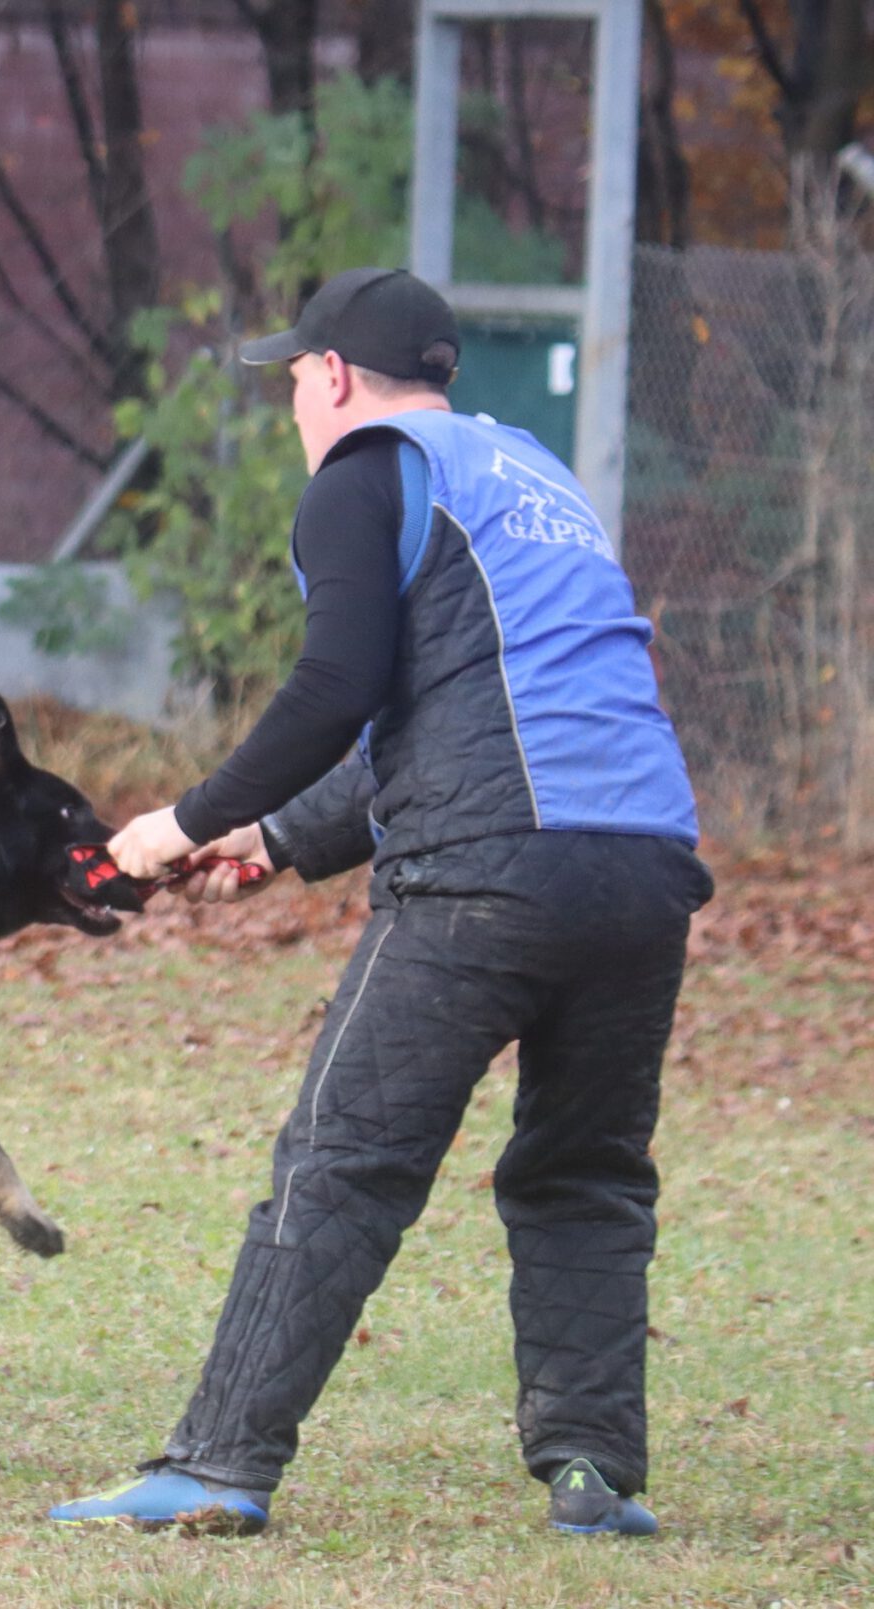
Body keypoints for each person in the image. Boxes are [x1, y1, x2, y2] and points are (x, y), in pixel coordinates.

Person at [47, 268, 712, 1536]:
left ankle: (217, 1463)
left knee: (340, 1162)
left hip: (485, 876)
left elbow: (333, 688)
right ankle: (593, 1474)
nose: (295, 399)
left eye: (294, 375)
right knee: (585, 1171)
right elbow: (464, 707)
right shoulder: (529, 477)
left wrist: (170, 825)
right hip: (642, 866)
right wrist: (273, 834)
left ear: (335, 376)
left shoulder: (363, 471)